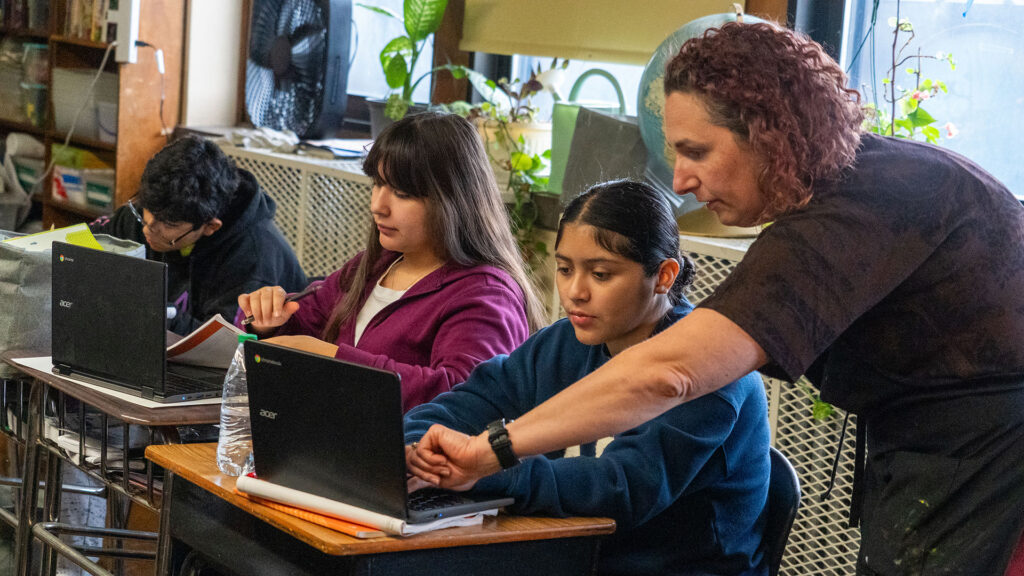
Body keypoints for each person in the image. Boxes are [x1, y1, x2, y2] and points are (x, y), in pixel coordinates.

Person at [408, 22, 1024, 576]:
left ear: (769, 134)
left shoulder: (859, 209)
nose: (679, 179)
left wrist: (493, 451)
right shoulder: (847, 189)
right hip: (938, 452)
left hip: (993, 454)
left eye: (696, 152)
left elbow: (671, 372)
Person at [405, 179, 770, 575]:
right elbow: (468, 403)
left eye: (600, 274)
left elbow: (623, 489)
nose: (575, 292)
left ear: (664, 276)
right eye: (564, 269)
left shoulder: (710, 371)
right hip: (572, 556)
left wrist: (489, 470)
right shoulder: (562, 342)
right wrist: (417, 446)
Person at [239, 112, 546, 412]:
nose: (378, 206)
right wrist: (268, 320)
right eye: (377, 184)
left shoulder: (486, 293)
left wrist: (333, 361)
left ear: (452, 200)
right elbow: (304, 321)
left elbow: (466, 396)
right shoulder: (373, 267)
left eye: (401, 193)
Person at [90, 135, 307, 335]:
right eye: (145, 209)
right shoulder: (155, 211)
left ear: (210, 226)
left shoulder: (255, 258)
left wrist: (156, 312)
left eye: (168, 225)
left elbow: (224, 348)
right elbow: (80, 242)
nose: (148, 228)